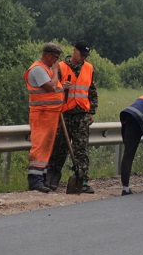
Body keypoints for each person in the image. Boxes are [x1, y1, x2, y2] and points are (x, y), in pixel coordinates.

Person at [46, 40, 98, 193]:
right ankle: (52, 180)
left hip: (82, 114)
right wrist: (62, 88)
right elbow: (51, 89)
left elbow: (92, 92)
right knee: (59, 148)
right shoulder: (60, 67)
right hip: (64, 114)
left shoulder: (89, 68)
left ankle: (82, 181)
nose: (83, 58)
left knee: (81, 149)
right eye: (81, 54)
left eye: (85, 55)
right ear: (74, 51)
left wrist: (91, 112)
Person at [24, 42, 67, 192]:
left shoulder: (46, 69)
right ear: (48, 55)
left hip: (50, 114)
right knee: (39, 146)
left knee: (46, 147)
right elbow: (51, 87)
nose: (57, 62)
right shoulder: (38, 69)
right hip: (41, 114)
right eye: (55, 58)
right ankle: (35, 181)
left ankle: (42, 179)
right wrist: (55, 71)